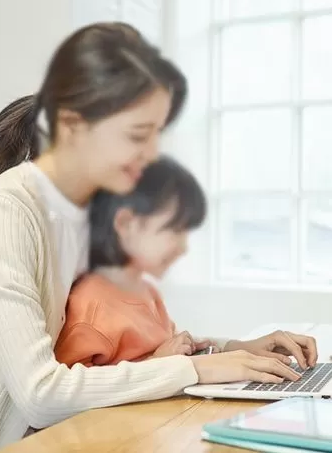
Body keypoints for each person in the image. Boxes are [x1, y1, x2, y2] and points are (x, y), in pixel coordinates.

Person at [0, 22, 317, 452]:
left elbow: (128, 339)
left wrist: (229, 350)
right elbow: (41, 394)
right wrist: (200, 371)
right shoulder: (5, 211)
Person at [54, 156, 217, 367]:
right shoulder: (89, 305)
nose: (184, 248)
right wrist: (157, 362)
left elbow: (167, 350)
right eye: (175, 230)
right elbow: (71, 387)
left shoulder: (148, 293)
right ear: (126, 223)